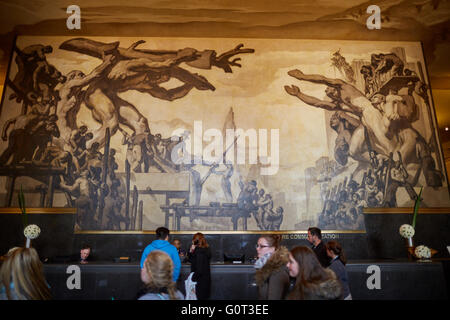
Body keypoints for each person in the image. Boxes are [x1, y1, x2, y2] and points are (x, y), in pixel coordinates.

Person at [254, 234, 290, 300]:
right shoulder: (265, 267)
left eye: (261, 246)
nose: (257, 249)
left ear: (273, 248)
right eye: (257, 245)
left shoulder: (277, 272)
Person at [187, 232, 211, 300]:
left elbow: (199, 270)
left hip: (199, 283)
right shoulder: (206, 250)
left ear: (195, 240)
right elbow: (190, 259)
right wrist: (191, 251)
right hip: (205, 280)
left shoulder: (198, 252)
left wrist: (191, 279)